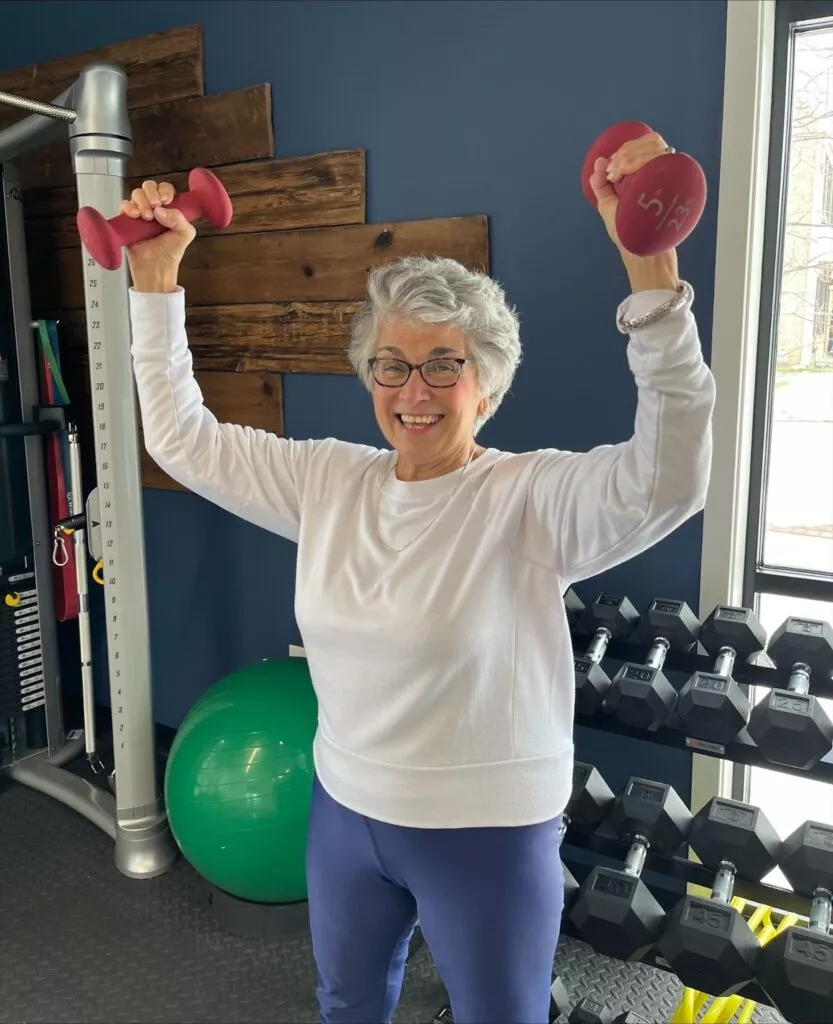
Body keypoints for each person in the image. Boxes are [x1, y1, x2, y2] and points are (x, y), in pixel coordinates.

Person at [123, 129, 714, 1024]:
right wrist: (156, 281)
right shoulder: (328, 481)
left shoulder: (530, 499)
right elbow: (181, 440)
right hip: (345, 810)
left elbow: (669, 475)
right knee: (347, 1002)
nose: (415, 391)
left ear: (487, 387)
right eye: (392, 365)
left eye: (446, 364)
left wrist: (652, 271)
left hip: (486, 830)